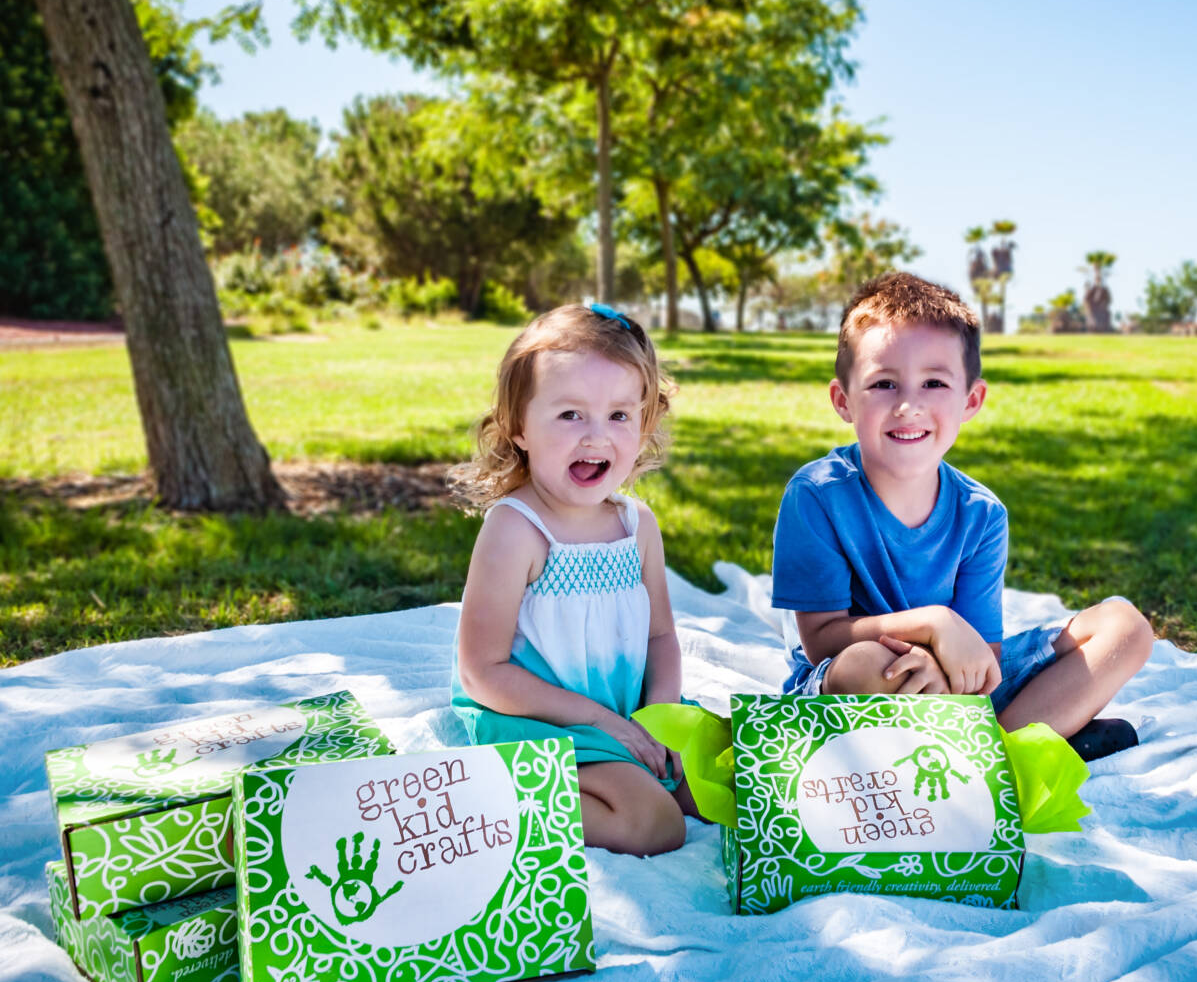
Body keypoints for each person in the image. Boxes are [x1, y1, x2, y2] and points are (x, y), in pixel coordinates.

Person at [771, 271, 1154, 761]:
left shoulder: (982, 514)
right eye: (884, 383)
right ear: (843, 401)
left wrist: (947, 667)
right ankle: (1026, 746)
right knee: (869, 663)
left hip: (959, 685)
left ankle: (998, 758)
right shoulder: (817, 495)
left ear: (970, 400)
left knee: (1126, 626)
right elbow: (821, 641)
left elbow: (983, 657)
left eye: (934, 383)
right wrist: (933, 624)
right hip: (847, 691)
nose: (909, 406)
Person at [452, 303, 696, 854]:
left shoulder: (638, 525)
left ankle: (636, 765)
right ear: (518, 427)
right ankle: (495, 806)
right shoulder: (517, 529)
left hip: (627, 709)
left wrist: (660, 718)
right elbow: (481, 672)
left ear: (644, 425)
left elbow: (660, 638)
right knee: (653, 823)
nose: (596, 437)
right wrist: (606, 726)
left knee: (731, 788)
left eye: (618, 416)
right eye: (569, 415)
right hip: (541, 720)